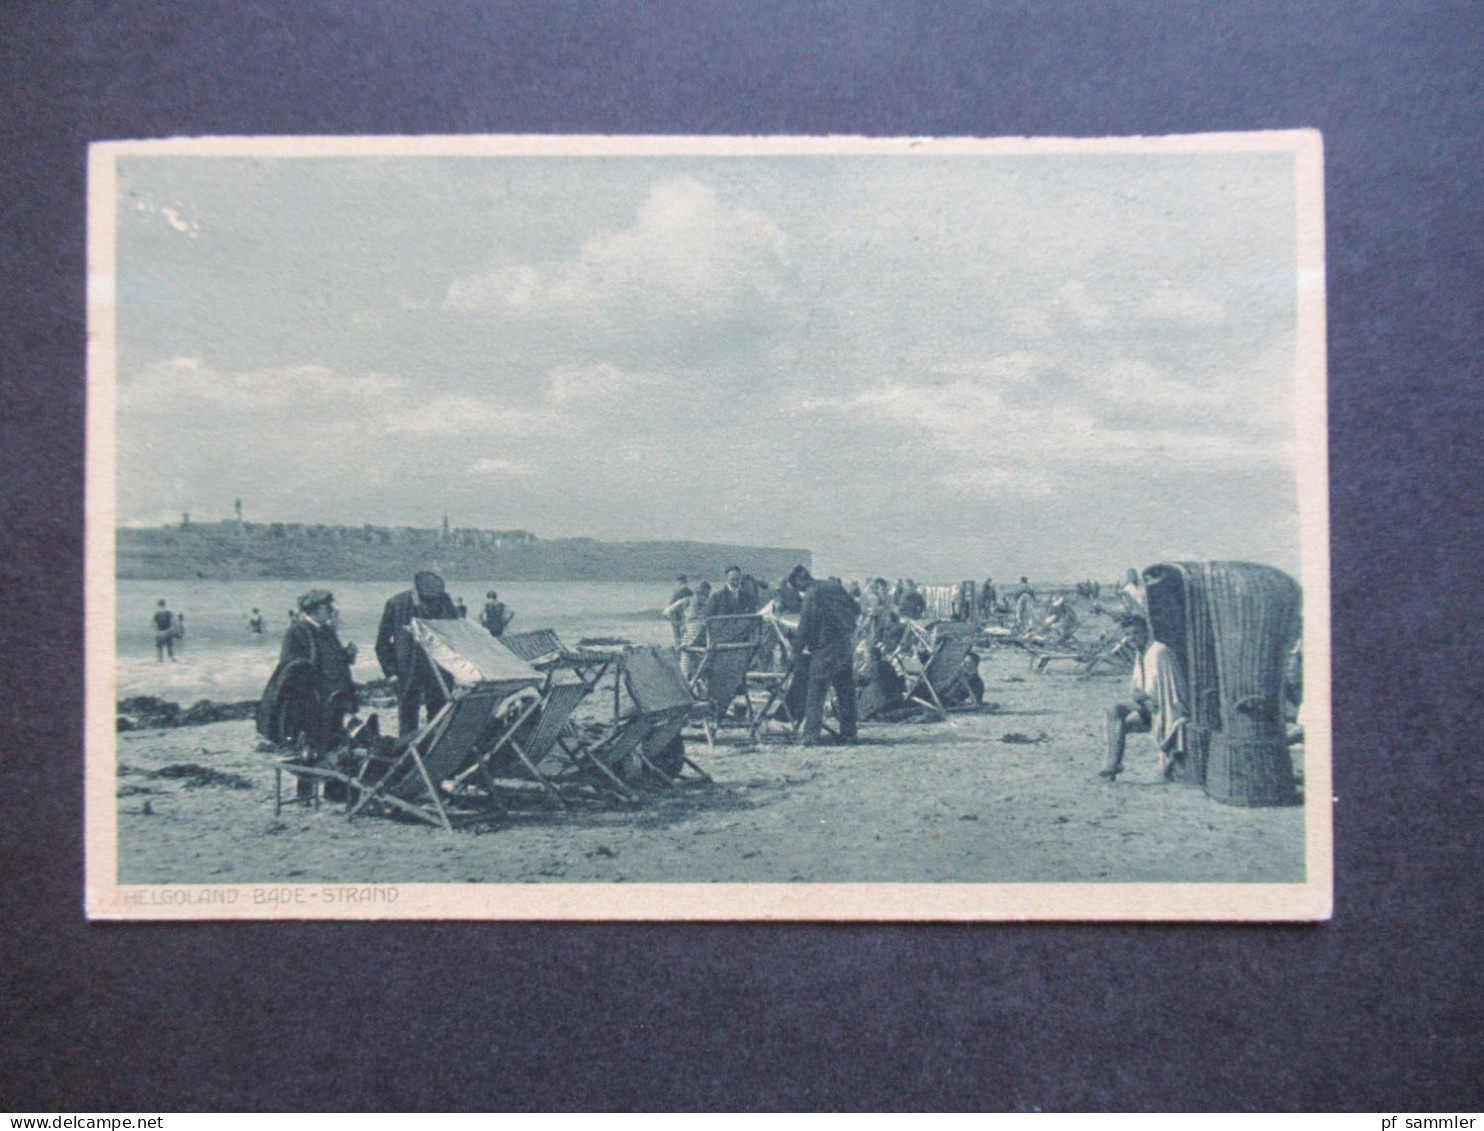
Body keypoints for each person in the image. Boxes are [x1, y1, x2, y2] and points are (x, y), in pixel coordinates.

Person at [257, 589, 359, 799]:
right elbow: (289, 666)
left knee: (336, 744)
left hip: (334, 699)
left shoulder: (327, 631)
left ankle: (333, 792)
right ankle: (305, 794)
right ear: (314, 610)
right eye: (326, 607)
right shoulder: (297, 631)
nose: (331, 611)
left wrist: (347, 655)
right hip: (311, 701)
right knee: (310, 746)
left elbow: (334, 660)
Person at [1100, 619, 1188, 781]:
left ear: (1146, 632)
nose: (1132, 638)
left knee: (1119, 720)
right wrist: (1141, 697)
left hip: (1166, 707)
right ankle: (1112, 764)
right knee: (1113, 711)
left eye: (1136, 633)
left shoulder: (1158, 652)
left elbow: (1160, 690)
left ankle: (1113, 765)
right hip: (1149, 705)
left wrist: (1142, 697)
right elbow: (1138, 688)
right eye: (1128, 634)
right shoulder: (1141, 652)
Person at [376, 570, 460, 736]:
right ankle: (408, 755)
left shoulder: (444, 601)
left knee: (440, 716)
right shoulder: (396, 604)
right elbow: (382, 644)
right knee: (408, 720)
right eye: (425, 601)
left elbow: (456, 634)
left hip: (439, 670)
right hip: (407, 671)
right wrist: (391, 673)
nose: (429, 606)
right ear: (415, 591)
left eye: (433, 601)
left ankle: (435, 753)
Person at [794, 573, 861, 746]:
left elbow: (804, 626)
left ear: (801, 582)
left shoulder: (812, 593)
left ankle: (811, 736)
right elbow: (856, 609)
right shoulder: (835, 586)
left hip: (825, 650)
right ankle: (849, 733)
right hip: (845, 647)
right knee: (845, 691)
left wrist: (795, 650)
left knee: (816, 691)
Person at [671, 581, 711, 681]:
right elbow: (667, 612)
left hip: (702, 645)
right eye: (698, 593)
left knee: (700, 674)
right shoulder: (687, 601)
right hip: (687, 644)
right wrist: (680, 623)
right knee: (685, 672)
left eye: (704, 594)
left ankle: (698, 693)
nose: (701, 596)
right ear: (695, 593)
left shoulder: (710, 605)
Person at [667, 575, 693, 646]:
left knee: (678, 637)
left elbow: (674, 605)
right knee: (683, 636)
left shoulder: (678, 591)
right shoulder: (688, 591)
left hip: (677, 617)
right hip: (680, 616)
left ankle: (679, 650)